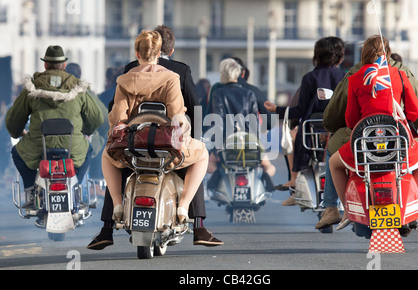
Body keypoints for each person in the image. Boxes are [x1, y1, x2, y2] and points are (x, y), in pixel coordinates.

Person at [87, 26, 222, 250]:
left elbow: (117, 118)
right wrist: (186, 133)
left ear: (137, 53)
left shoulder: (125, 78)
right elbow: (179, 115)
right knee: (200, 155)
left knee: (108, 156)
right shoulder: (172, 77)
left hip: (133, 149)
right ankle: (186, 211)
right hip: (165, 149)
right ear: (160, 53)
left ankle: (115, 211)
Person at [315, 50, 418, 230]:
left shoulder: (355, 74)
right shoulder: (402, 73)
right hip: (398, 136)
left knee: (332, 151)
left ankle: (332, 206)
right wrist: (414, 124)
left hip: (362, 137)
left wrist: (334, 126)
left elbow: (342, 116)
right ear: (387, 52)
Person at [5, 45, 104, 209]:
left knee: (17, 153)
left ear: (45, 65)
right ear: (64, 65)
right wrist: (85, 131)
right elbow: (96, 117)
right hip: (73, 146)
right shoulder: (78, 87)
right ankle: (76, 188)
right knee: (88, 151)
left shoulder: (32, 87)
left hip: (38, 147)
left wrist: (18, 132)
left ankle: (30, 192)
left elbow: (13, 121)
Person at [264, 36, 346, 205]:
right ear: (340, 56)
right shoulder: (345, 77)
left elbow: (299, 110)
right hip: (338, 132)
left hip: (310, 133)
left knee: (290, 138)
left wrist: (276, 110)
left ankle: (294, 181)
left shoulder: (309, 78)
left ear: (317, 55)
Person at [207, 58, 276, 177]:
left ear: (223, 74)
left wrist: (217, 149)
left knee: (207, 163)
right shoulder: (249, 94)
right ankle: (265, 178)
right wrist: (256, 145)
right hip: (249, 144)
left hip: (227, 145)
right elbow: (254, 124)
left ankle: (218, 175)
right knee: (270, 167)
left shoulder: (219, 93)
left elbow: (219, 122)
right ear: (239, 73)